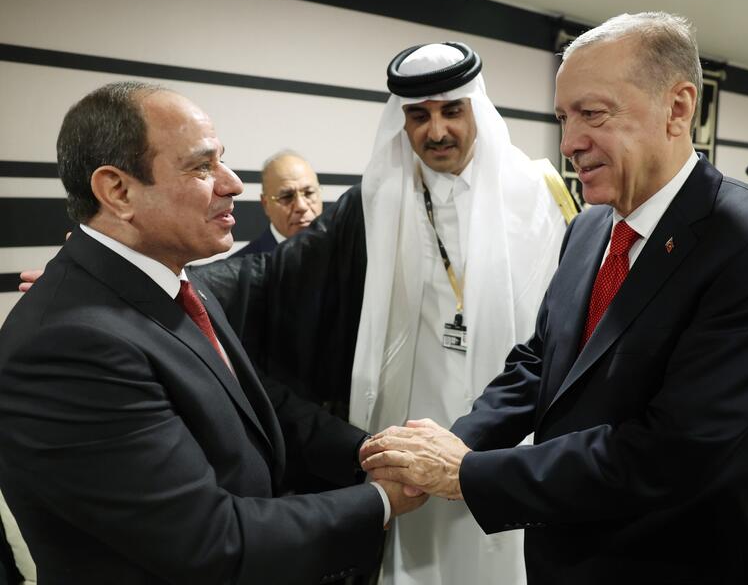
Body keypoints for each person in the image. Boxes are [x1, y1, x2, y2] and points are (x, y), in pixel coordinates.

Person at [361, 12, 748, 585]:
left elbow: (672, 453)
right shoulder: (592, 226)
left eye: (593, 115)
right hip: (563, 555)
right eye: (564, 118)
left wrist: (468, 474)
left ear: (679, 107)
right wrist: (456, 440)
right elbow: (543, 361)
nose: (569, 144)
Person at [0, 81, 424, 584]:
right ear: (118, 191)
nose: (233, 184)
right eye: (202, 167)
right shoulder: (68, 344)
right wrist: (380, 500)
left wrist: (369, 451)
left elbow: (247, 401)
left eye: (222, 160)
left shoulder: (173, 282)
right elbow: (209, 541)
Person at [194, 42, 571, 585]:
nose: (436, 131)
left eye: (451, 111)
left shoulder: (540, 194)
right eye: (418, 116)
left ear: (476, 109)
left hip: (508, 426)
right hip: (410, 426)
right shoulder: (375, 201)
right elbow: (269, 276)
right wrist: (150, 277)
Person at [232, 150, 322, 257]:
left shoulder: (343, 254)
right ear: (265, 204)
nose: (301, 206)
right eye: (287, 196)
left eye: (309, 193)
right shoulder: (240, 269)